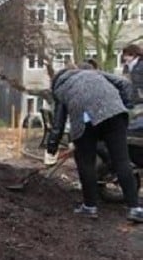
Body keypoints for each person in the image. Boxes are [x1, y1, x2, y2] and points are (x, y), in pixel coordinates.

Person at [45, 68, 143, 223]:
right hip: (115, 113)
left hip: (85, 120)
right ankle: (135, 209)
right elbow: (124, 83)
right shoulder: (95, 73)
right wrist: (125, 104)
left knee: (85, 161)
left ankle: (90, 207)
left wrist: (51, 148)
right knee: (122, 161)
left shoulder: (60, 88)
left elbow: (59, 123)